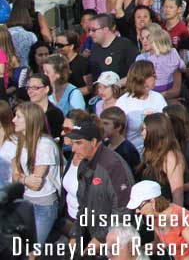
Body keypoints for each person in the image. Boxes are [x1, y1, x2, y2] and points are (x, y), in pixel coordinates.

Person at [67, 117, 134, 255]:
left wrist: (99, 239)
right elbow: (83, 205)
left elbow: (123, 209)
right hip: (92, 234)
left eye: (79, 143)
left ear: (93, 142)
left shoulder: (113, 166)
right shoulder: (84, 163)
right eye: (73, 143)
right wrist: (76, 234)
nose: (73, 149)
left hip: (115, 242)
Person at [128, 180, 189, 260]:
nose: (137, 211)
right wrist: (136, 251)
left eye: (139, 206)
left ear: (152, 202)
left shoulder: (178, 217)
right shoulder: (154, 218)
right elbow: (158, 245)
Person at [12, 102, 62, 245]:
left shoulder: (44, 145)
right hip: (26, 201)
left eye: (18, 117)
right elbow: (15, 173)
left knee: (33, 249)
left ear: (30, 120)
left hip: (43, 205)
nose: (13, 120)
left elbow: (35, 184)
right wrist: (24, 179)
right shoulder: (21, 141)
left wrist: (20, 178)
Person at [116, 60, 168, 152]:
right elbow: (119, 135)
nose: (156, 77)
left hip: (157, 151)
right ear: (142, 78)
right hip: (133, 153)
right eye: (153, 74)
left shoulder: (158, 97)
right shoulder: (123, 102)